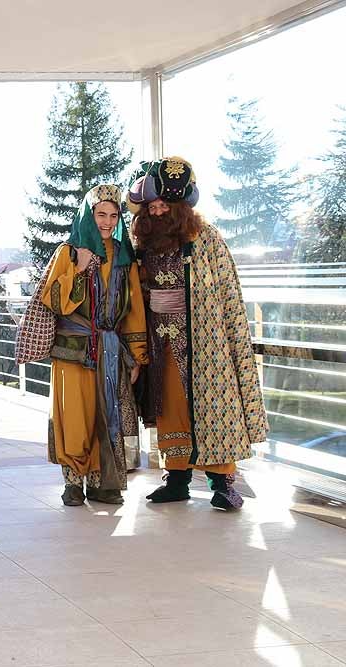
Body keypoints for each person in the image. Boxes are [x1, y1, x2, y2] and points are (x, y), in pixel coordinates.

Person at [128, 157, 268, 510]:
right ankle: (176, 479)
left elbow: (227, 291)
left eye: (164, 204)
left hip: (206, 342)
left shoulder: (206, 238)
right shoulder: (141, 241)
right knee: (170, 406)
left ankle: (222, 482)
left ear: (180, 206)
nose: (158, 210)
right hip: (160, 338)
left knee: (212, 407)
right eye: (152, 205)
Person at [39, 184, 148, 506]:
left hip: (111, 348)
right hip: (73, 350)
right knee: (74, 415)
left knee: (108, 413)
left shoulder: (124, 256)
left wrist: (137, 356)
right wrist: (79, 266)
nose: (108, 221)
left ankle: (103, 481)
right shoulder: (68, 252)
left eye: (114, 216)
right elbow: (54, 300)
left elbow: (134, 309)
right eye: (101, 214)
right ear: (88, 214)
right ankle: (73, 481)